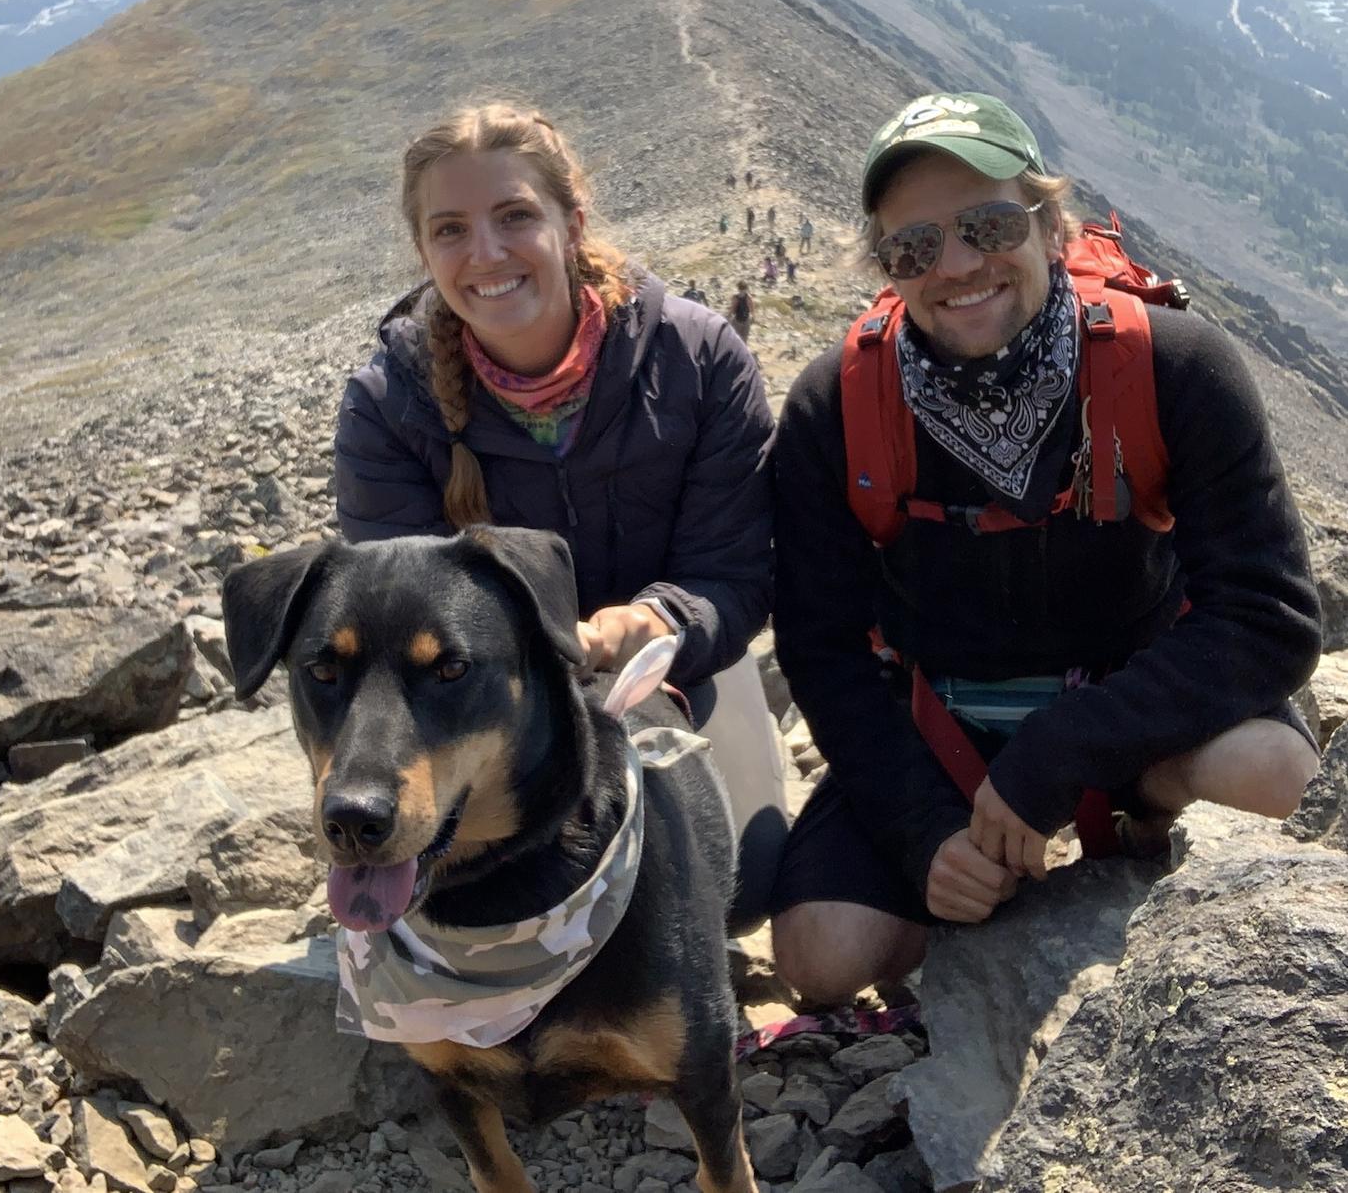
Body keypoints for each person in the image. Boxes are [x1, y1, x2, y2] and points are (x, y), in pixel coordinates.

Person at [769, 91, 1322, 1003]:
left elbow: (1269, 619)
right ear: (886, 266)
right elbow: (822, 647)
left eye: (988, 224)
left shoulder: (1174, 365)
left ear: (1050, 222)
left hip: (1134, 699)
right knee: (823, 961)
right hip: (938, 716)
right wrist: (926, 831)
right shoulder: (837, 406)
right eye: (913, 247)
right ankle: (1004, 870)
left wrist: (1059, 760)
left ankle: (1150, 804)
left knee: (1276, 778)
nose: (956, 266)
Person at [334, 103, 787, 930]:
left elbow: (734, 572)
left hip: (673, 665)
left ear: (571, 223)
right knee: (486, 898)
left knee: (743, 895)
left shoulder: (698, 357)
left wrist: (651, 621)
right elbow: (396, 606)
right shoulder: (389, 406)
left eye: (515, 217)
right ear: (424, 250)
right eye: (451, 231)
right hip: (486, 701)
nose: (486, 254)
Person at [729, 280, 754, 345]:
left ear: (738, 288)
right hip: (746, 319)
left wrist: (729, 316)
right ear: (746, 288)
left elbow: (733, 309)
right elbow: (752, 309)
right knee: (744, 338)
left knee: (736, 337)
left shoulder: (735, 297)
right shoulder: (748, 297)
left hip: (737, 320)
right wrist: (753, 317)